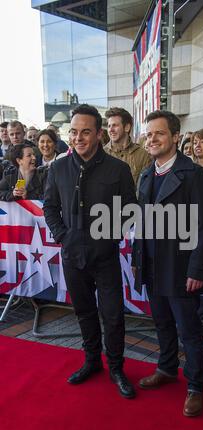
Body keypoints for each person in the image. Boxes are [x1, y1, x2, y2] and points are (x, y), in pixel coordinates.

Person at [43, 104, 137, 399]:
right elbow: (49, 206)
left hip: (105, 256)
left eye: (85, 132)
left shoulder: (119, 169)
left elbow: (129, 211)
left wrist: (109, 234)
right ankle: (92, 362)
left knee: (112, 316)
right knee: (84, 312)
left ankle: (117, 368)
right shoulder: (57, 168)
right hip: (72, 255)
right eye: (73, 132)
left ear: (99, 134)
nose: (78, 137)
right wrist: (62, 235)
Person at [132, 110, 203, 417]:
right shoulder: (146, 174)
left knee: (189, 330)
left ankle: (196, 386)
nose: (152, 139)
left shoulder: (194, 175)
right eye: (148, 134)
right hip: (152, 264)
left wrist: (196, 268)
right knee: (162, 323)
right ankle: (167, 369)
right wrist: (138, 260)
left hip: (180, 267)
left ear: (176, 137)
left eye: (159, 133)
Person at [104, 107, 151, 185]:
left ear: (127, 127)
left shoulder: (143, 155)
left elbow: (145, 187)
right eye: (109, 126)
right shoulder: (101, 154)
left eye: (115, 125)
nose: (110, 130)